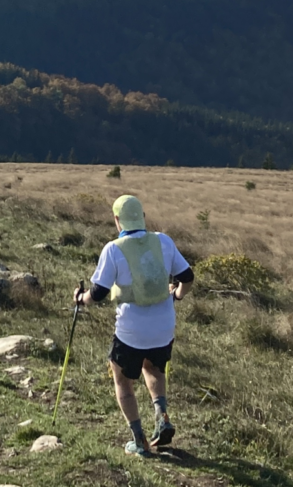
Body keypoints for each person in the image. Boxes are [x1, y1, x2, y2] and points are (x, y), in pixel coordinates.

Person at [73, 194, 194, 457]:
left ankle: (139, 441)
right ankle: (162, 415)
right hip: (164, 327)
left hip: (131, 330)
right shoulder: (163, 241)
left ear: (117, 220)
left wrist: (81, 300)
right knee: (153, 368)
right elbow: (187, 276)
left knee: (122, 380)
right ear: (143, 217)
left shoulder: (114, 249)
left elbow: (99, 292)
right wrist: (176, 295)